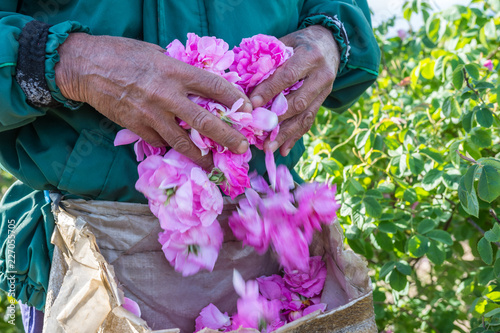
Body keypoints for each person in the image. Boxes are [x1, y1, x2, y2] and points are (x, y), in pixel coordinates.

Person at [0, 0, 380, 331]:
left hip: (270, 241)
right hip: (90, 254)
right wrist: (73, 64)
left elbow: (340, 7)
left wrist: (330, 38)